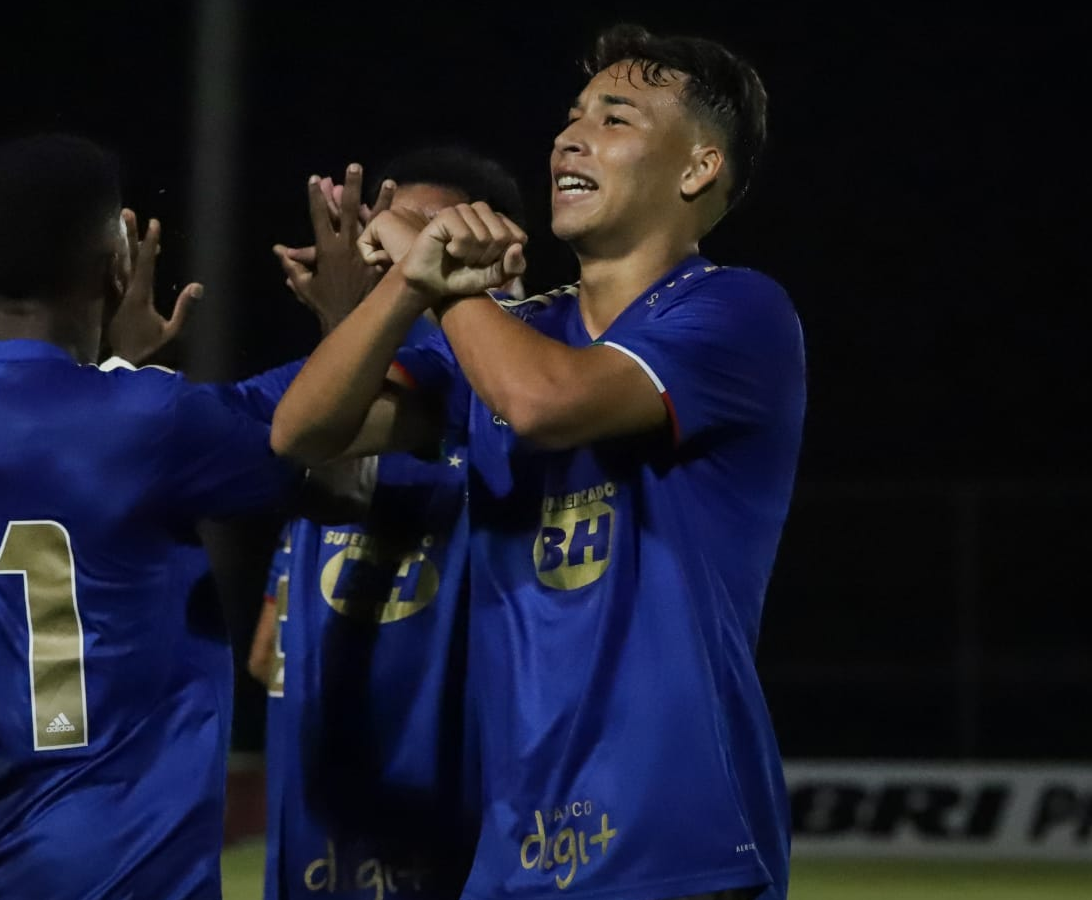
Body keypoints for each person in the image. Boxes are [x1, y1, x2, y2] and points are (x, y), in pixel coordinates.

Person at [271, 21, 802, 900]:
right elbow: (306, 430)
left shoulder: (739, 313)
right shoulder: (509, 331)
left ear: (698, 168)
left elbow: (548, 403)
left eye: (615, 118)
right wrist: (410, 283)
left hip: (677, 847)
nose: (570, 135)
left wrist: (442, 280)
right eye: (572, 115)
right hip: (514, 852)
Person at [0, 132, 302, 900]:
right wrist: (359, 313)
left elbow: (39, 436)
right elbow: (307, 429)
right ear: (117, 262)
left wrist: (116, 373)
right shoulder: (149, 419)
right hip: (122, 874)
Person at [243, 146, 526, 900]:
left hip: (456, 839)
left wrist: (352, 316)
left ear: (501, 250)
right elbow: (268, 653)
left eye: (417, 232)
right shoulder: (359, 412)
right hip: (327, 839)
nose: (392, 254)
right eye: (383, 233)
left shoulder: (498, 403)